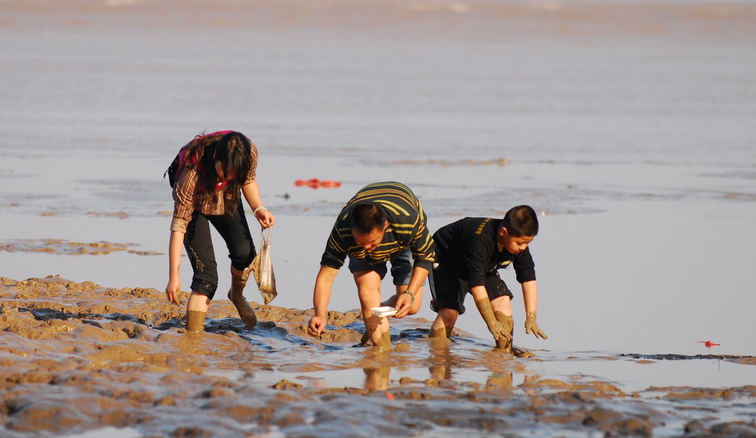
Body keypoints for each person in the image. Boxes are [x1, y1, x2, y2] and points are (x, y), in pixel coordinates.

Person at [165, 130, 275, 332]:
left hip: (226, 199)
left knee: (245, 253)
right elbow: (179, 226)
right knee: (206, 278)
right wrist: (174, 276)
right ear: (215, 157)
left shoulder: (248, 153)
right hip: (194, 207)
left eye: (235, 174)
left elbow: (248, 181)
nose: (230, 177)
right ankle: (193, 337)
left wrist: (259, 209)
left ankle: (236, 295)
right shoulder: (192, 172)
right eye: (226, 172)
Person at [307, 182, 436, 347]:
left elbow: (425, 258)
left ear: (385, 226)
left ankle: (377, 310)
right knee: (367, 293)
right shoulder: (343, 230)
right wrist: (320, 315)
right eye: (360, 241)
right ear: (352, 229)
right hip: (361, 253)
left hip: (403, 243)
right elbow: (326, 276)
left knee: (412, 307)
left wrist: (409, 294)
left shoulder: (407, 221)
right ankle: (382, 349)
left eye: (372, 242)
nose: (367, 248)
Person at [429, 205, 547, 356]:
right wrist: (491, 322)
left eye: (528, 243)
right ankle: (438, 357)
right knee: (449, 313)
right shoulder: (481, 240)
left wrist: (531, 317)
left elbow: (528, 279)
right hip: (446, 260)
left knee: (503, 300)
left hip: (481, 266)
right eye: (520, 243)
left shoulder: (518, 244)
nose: (523, 247)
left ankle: (503, 354)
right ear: (504, 232)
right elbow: (476, 285)